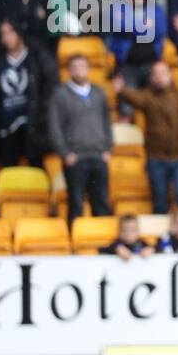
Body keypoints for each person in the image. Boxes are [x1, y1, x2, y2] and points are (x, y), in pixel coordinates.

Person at [112, 61, 178, 215]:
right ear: (151, 78)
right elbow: (134, 98)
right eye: (155, 74)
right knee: (159, 201)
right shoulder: (147, 96)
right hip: (156, 159)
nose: (159, 77)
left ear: (170, 75)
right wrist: (122, 90)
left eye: (163, 73)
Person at [0, 19, 57, 168]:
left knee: (37, 171)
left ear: (20, 33)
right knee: (9, 174)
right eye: (3, 34)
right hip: (7, 126)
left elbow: (51, 87)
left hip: (33, 124)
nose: (6, 37)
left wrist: (42, 116)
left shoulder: (37, 57)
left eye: (10, 32)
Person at [49, 54, 112, 226]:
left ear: (88, 69)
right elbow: (54, 126)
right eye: (75, 67)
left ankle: (104, 243)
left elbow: (107, 121)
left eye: (82, 66)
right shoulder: (61, 95)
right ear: (69, 70)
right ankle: (77, 243)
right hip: (75, 157)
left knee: (102, 202)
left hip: (99, 155)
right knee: (76, 204)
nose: (79, 70)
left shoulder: (99, 92)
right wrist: (65, 153)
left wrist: (108, 148)